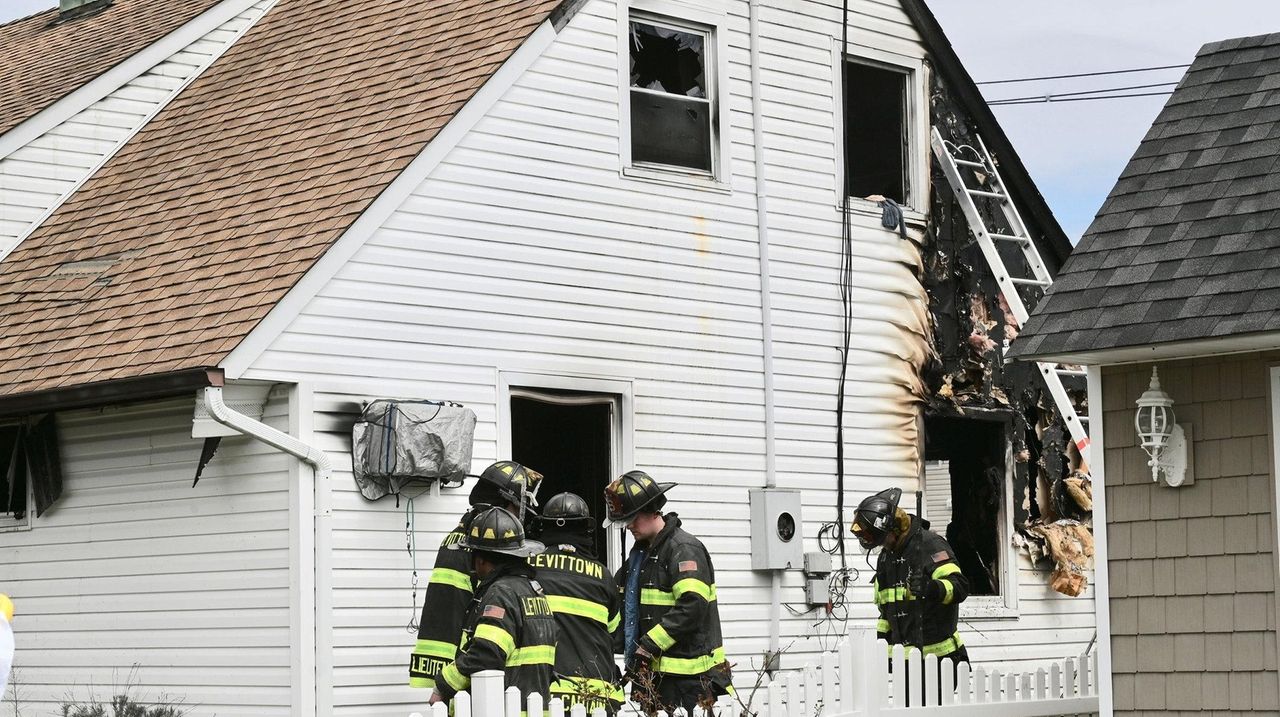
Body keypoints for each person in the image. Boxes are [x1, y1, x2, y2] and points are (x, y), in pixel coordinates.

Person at [606, 470, 733, 714]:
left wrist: (648, 645)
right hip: (658, 677)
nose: (629, 525)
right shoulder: (641, 556)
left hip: (691, 679)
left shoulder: (682, 549)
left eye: (632, 517)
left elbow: (693, 605)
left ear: (652, 508)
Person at [408, 461, 543, 690]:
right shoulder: (483, 548)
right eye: (516, 508)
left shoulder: (459, 538)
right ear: (502, 502)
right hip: (461, 666)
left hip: (446, 663)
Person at [430, 506, 558, 707]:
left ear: (480, 559)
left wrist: (443, 685)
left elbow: (486, 653)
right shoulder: (535, 590)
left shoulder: (501, 593)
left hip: (504, 708)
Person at [851, 486, 969, 695]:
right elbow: (886, 612)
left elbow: (959, 587)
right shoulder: (887, 557)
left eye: (882, 541)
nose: (882, 548)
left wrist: (931, 588)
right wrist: (885, 652)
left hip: (940, 662)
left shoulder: (930, 545)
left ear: (893, 529)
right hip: (906, 666)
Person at [529, 492, 624, 713]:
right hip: (597, 697)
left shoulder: (527, 568)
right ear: (586, 529)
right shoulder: (602, 575)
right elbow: (615, 635)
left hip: (545, 695)